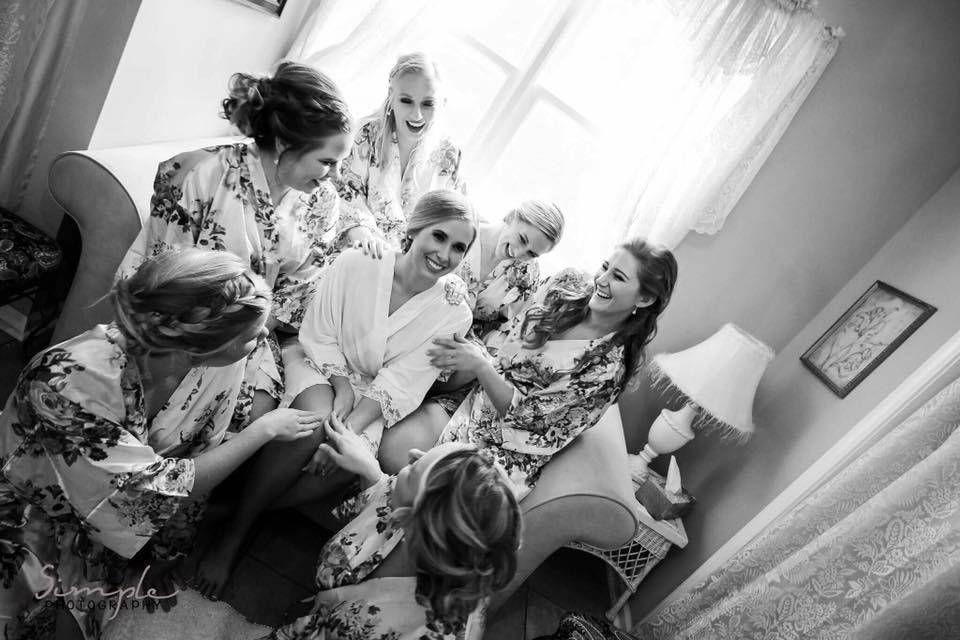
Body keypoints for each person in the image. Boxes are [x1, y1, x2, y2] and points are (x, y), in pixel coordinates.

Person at [0, 249, 323, 640]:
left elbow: (197, 456)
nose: (265, 337)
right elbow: (158, 486)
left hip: (102, 518)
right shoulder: (68, 384)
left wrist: (169, 553)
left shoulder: (207, 371)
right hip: (28, 509)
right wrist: (263, 431)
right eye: (253, 336)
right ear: (198, 347)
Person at [194, 189, 477, 598]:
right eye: (439, 236)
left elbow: (404, 380)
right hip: (318, 360)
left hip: (375, 396)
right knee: (309, 426)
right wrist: (340, 389)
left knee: (349, 457)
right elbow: (320, 331)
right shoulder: (358, 261)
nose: (445, 254)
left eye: (458, 248)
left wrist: (347, 427)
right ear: (415, 228)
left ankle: (232, 512)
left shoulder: (455, 311)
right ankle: (233, 536)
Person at [119, 61, 356, 427]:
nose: (336, 177)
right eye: (327, 161)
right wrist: (214, 337)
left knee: (258, 404)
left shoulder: (323, 203)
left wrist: (243, 334)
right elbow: (162, 274)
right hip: (171, 324)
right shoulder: (201, 174)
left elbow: (298, 290)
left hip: (249, 333)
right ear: (283, 143)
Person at [381, 238, 678, 497]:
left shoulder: (606, 370)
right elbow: (510, 340)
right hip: (476, 399)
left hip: (507, 449)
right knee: (393, 448)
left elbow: (526, 421)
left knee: (420, 484)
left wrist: (482, 367)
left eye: (619, 277)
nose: (602, 280)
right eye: (605, 267)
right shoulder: (565, 285)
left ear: (645, 298)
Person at [379, 200, 565, 471]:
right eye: (523, 239)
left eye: (532, 253)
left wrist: (481, 354)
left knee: (470, 363)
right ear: (511, 216)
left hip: (464, 333)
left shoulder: (525, 275)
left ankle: (405, 404)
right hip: (418, 310)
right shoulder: (463, 234)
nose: (520, 252)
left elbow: (504, 328)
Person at [337, 52, 465, 251]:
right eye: (406, 101)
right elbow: (344, 192)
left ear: (441, 103)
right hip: (358, 245)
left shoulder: (449, 153)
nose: (417, 114)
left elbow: (450, 217)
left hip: (412, 258)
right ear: (391, 96)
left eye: (428, 103)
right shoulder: (366, 134)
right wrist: (361, 233)